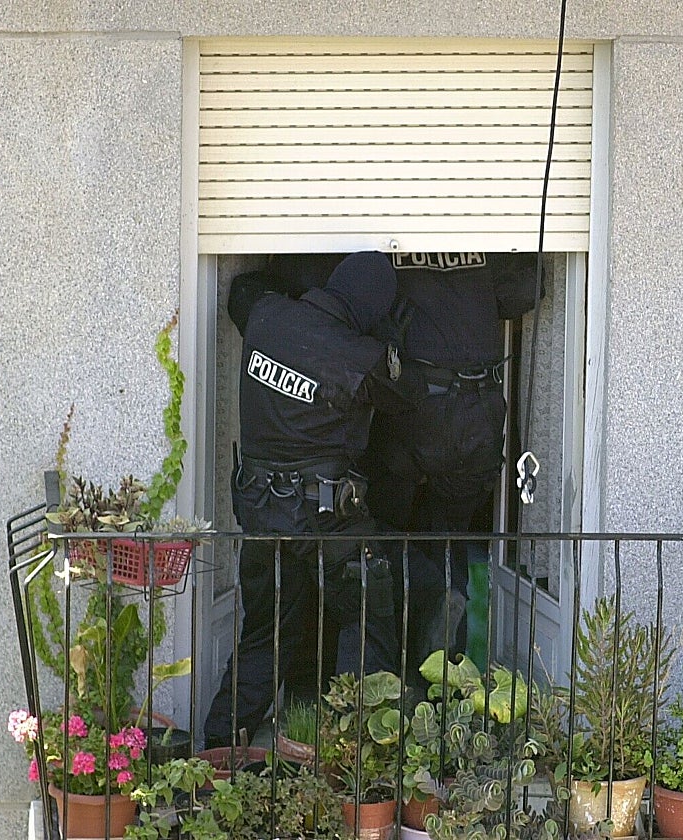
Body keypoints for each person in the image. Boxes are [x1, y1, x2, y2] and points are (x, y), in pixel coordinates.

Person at [204, 252, 418, 748]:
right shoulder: (356, 356)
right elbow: (405, 399)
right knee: (369, 621)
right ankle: (353, 758)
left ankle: (216, 751)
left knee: (265, 635)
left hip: (261, 511)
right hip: (327, 520)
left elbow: (243, 292)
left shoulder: (265, 316)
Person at [361, 252, 542, 678]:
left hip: (413, 412)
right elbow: (526, 294)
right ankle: (447, 684)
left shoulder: (384, 246)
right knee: (447, 537)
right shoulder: (485, 242)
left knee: (381, 535)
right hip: (478, 418)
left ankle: (388, 676)